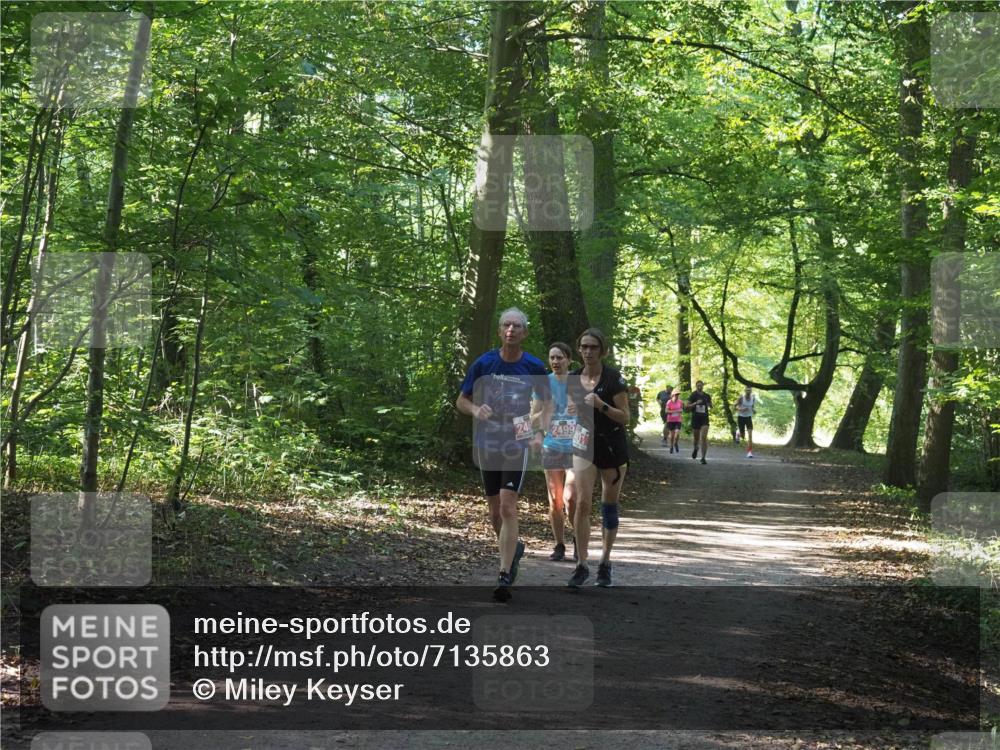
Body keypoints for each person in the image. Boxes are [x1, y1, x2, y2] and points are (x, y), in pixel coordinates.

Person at [456, 307, 549, 602]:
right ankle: (513, 548)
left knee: (509, 507)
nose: (511, 330)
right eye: (506, 325)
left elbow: (549, 405)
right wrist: (475, 409)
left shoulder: (534, 366)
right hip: (488, 442)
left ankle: (504, 572)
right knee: (495, 512)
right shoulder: (484, 363)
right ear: (499, 331)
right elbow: (461, 399)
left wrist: (538, 433)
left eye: (517, 326)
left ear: (525, 332)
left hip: (517, 441)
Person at [565, 329, 629, 588]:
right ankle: (581, 564)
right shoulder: (571, 378)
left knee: (608, 506)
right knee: (581, 503)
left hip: (611, 445)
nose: (588, 352)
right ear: (578, 350)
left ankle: (605, 561)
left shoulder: (614, 378)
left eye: (593, 347)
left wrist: (601, 405)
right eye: (584, 347)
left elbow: (625, 417)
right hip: (583, 442)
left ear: (602, 350)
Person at [538, 342, 578, 562]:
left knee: (571, 498)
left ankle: (577, 539)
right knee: (555, 500)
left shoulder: (579, 382)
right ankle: (559, 544)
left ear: (569, 359)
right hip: (552, 446)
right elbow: (533, 416)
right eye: (552, 358)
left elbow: (592, 415)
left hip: (575, 448)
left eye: (560, 358)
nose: (555, 362)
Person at [686, 380, 712, 465]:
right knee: (696, 438)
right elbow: (687, 407)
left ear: (703, 386)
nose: (699, 387)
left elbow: (711, 406)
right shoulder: (693, 395)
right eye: (698, 386)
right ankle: (696, 448)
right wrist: (695, 403)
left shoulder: (707, 396)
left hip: (705, 418)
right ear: (696, 386)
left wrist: (709, 405)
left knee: (703, 438)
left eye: (701, 385)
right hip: (696, 418)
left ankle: (703, 458)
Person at [734, 385, 757, 458]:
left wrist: (753, 410)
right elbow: (735, 406)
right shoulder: (741, 398)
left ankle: (749, 452)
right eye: (747, 390)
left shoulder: (753, 398)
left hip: (748, 418)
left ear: (751, 391)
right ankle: (738, 433)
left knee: (750, 436)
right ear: (745, 391)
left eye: (749, 390)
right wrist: (740, 409)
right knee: (742, 436)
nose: (748, 392)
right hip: (741, 417)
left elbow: (752, 406)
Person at [665, 388, 684, 453]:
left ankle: (675, 443)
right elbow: (666, 411)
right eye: (676, 394)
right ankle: (671, 446)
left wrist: (681, 411)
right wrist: (675, 411)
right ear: (672, 395)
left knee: (677, 433)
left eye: (678, 394)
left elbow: (681, 410)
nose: (677, 396)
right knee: (672, 435)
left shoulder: (680, 402)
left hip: (678, 420)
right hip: (670, 420)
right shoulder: (669, 402)